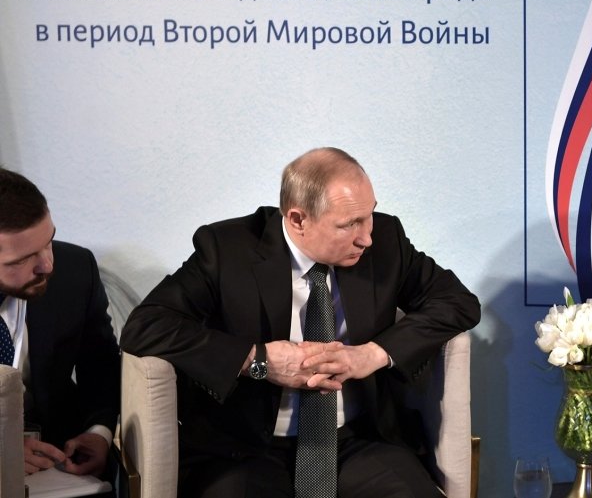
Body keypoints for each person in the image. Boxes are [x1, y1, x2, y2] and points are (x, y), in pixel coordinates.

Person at [119, 147, 481, 498]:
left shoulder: (385, 242)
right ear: (297, 219)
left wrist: (373, 354)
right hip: (242, 452)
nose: (366, 236)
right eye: (349, 224)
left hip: (356, 442)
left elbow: (457, 302)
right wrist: (256, 359)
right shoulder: (227, 250)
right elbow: (146, 326)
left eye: (369, 214)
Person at [0, 168, 121, 480]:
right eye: (20, 260)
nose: (47, 265)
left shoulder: (76, 269)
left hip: (59, 458)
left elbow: (101, 365)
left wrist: (99, 432)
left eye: (49, 240)